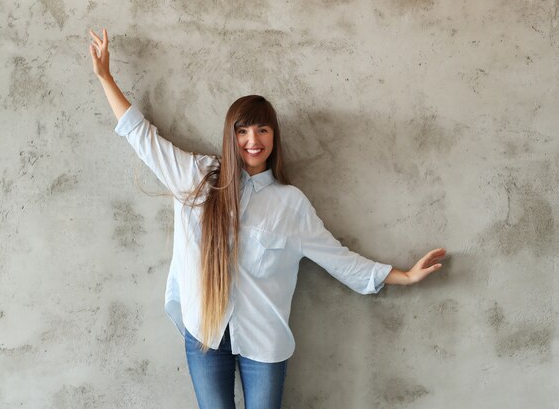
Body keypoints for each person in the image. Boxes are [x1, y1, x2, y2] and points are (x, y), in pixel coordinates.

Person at [89, 27, 447, 409]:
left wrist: (404, 276)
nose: (252, 139)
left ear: (274, 136)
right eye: (242, 130)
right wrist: (106, 78)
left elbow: (339, 259)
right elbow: (141, 137)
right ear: (232, 135)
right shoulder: (197, 178)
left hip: (264, 339)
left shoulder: (291, 204)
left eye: (262, 129)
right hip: (205, 332)